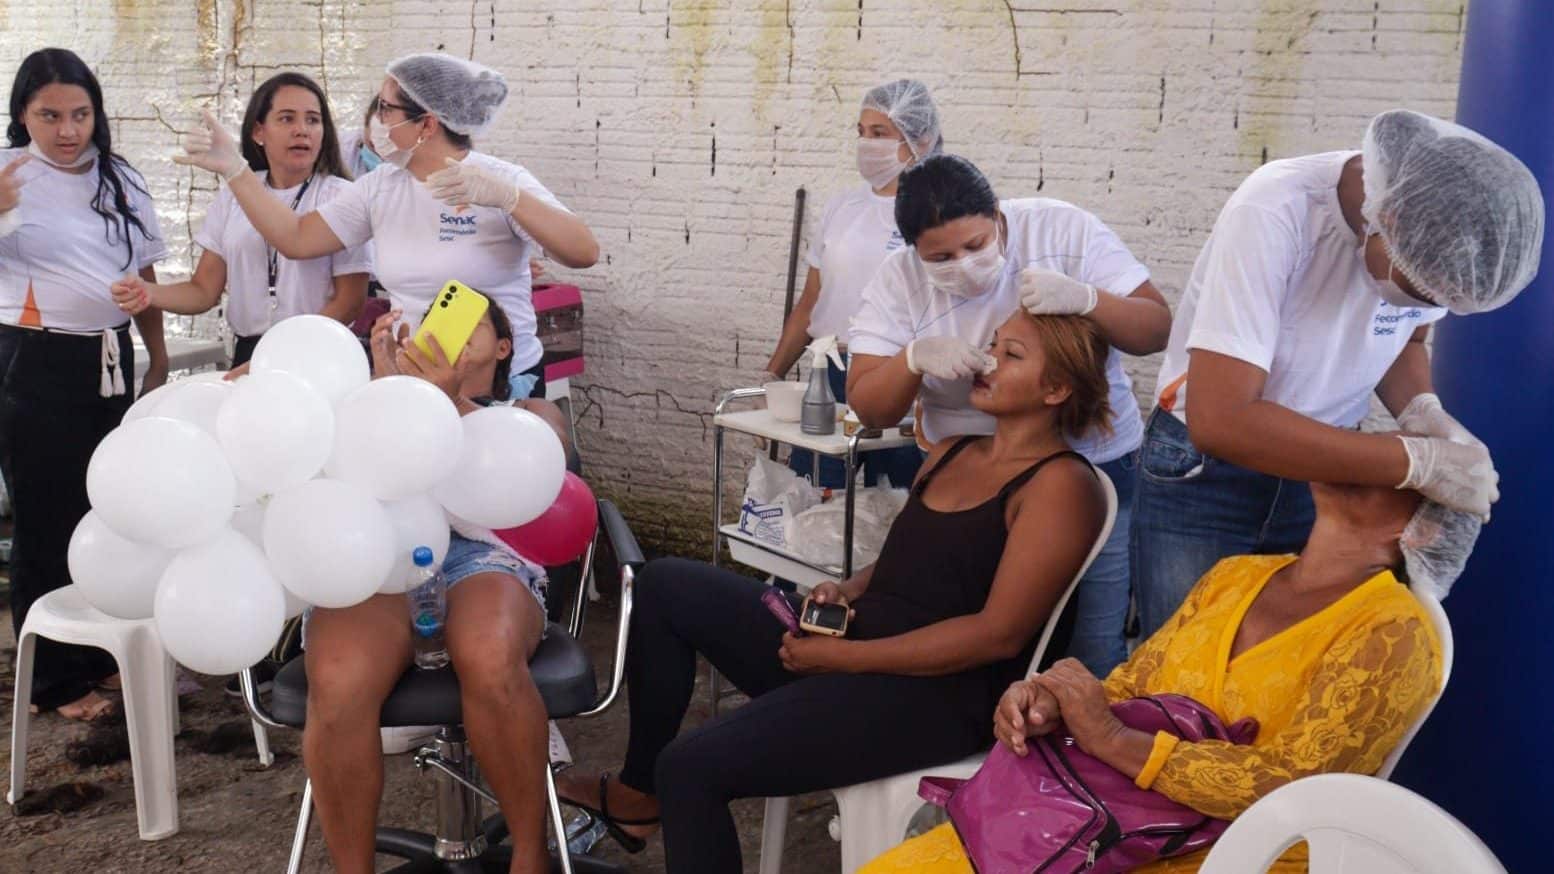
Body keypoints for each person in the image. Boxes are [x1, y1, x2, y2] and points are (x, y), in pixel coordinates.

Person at [557, 309, 1111, 873]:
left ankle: (662, 785)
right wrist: (845, 591)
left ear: (1057, 388)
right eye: (992, 344)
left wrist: (844, 657)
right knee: (667, 584)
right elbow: (910, 558)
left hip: (938, 695)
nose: (988, 359)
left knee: (692, 768)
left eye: (1012, 355)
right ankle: (637, 792)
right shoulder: (956, 450)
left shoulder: (1061, 486)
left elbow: (998, 635)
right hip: (858, 648)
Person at [863, 477, 1477, 873]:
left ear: (1418, 529)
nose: (1359, 457)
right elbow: (1133, 689)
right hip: (1093, 816)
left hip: (1229, 854)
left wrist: (1112, 740)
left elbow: (1295, 788)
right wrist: (1052, 702)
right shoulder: (1237, 575)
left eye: (1397, 469)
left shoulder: (1392, 633)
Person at [1131, 109, 1544, 639]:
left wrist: (1426, 414)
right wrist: (1413, 460)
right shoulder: (1277, 208)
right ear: (1389, 220)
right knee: (1182, 664)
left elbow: (1405, 337)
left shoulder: (1434, 239)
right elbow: (1222, 418)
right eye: (1422, 289)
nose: (1427, 304)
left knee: (1282, 663)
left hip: (1324, 472)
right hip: (1208, 471)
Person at [847, 153, 1172, 677]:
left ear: (998, 216)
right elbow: (869, 403)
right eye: (941, 257)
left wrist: (1090, 300)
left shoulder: (1061, 229)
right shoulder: (899, 279)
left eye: (975, 246)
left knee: (1088, 648)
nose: (964, 263)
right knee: (965, 641)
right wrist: (912, 360)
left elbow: (1155, 328)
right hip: (970, 477)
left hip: (1094, 466)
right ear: (913, 252)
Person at [304, 299, 571, 874]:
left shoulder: (529, 409)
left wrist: (449, 403)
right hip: (382, 549)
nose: (447, 330)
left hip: (484, 557)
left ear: (503, 348)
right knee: (337, 681)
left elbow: (553, 467)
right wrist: (375, 394)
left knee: (489, 654)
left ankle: (529, 856)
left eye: (471, 322)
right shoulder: (374, 395)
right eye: (435, 320)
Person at [172, 51, 599, 400]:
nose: (376, 119)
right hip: (412, 382)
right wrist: (236, 170)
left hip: (497, 385)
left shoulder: (500, 180)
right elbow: (297, 238)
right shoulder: (379, 188)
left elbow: (583, 252)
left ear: (426, 124)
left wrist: (510, 198)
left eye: (386, 108)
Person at [0, 48, 170, 722]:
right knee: (46, 515)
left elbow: (146, 277)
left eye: (79, 114)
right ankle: (52, 679)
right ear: (22, 115)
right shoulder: (8, 172)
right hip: (32, 358)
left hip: (109, 355)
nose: (67, 130)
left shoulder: (119, 176)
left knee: (108, 506)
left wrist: (155, 359)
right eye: (49, 116)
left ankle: (104, 653)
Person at [110, 72, 371, 365]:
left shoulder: (343, 196)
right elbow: (203, 291)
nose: (302, 130)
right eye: (287, 119)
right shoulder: (235, 194)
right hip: (249, 351)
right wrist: (148, 292)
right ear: (259, 132)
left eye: (313, 120)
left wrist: (289, 350)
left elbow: (349, 302)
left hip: (316, 351)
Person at [765, 78, 943, 489]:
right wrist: (772, 375)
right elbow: (811, 303)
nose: (866, 144)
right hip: (829, 371)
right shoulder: (843, 207)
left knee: (894, 502)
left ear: (921, 139)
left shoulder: (934, 214)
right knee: (814, 496)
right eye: (861, 132)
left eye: (879, 133)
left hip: (899, 375)